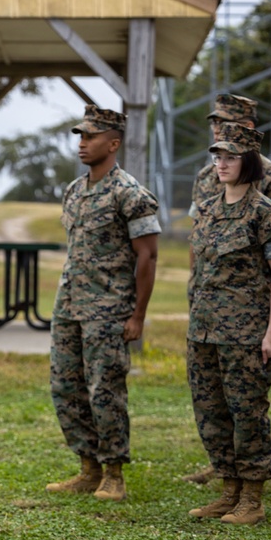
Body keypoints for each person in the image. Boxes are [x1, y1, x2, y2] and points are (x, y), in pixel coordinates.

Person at [46, 105, 160, 503]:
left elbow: (147, 257)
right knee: (65, 387)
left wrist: (138, 315)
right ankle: (88, 467)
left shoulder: (131, 194)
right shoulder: (74, 191)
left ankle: (114, 473)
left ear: (113, 143)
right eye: (80, 135)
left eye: (91, 136)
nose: (82, 142)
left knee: (105, 391)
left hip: (109, 309)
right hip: (70, 306)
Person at [182, 93, 271, 485]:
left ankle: (250, 488)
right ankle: (225, 475)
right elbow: (200, 243)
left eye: (227, 124)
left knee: (246, 406)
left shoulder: (268, 189)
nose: (218, 130)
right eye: (215, 122)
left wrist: (269, 329)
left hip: (244, 317)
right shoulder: (207, 188)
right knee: (211, 405)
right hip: (207, 314)